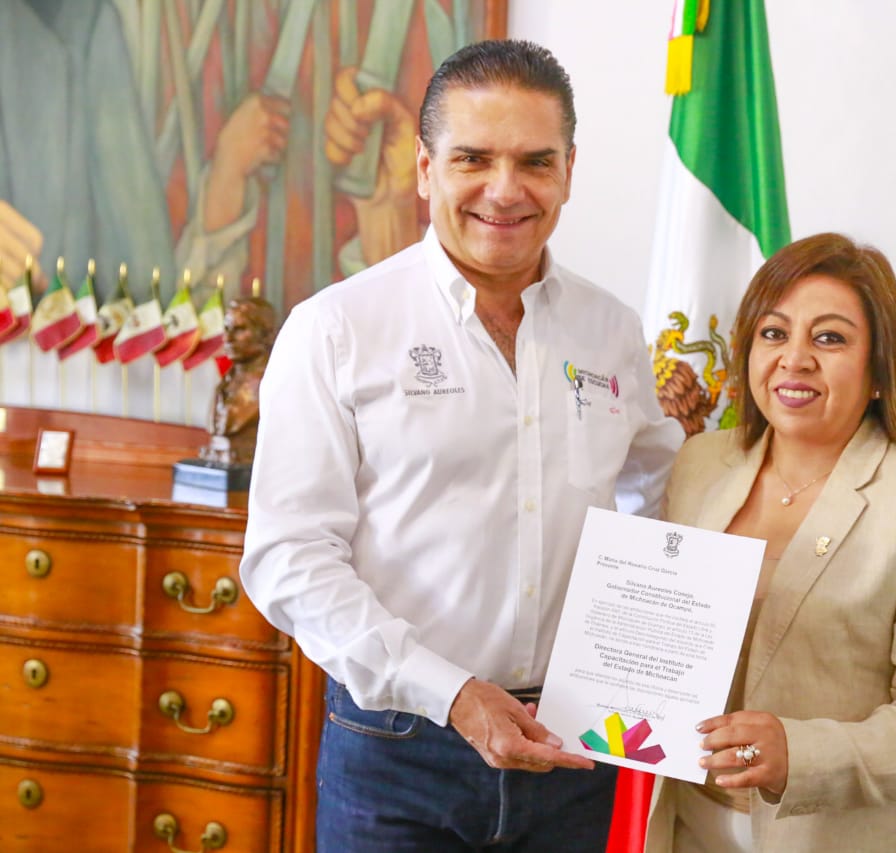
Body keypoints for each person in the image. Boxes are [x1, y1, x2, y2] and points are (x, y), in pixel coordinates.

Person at [239, 40, 684, 852]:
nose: (505, 190)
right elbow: (289, 558)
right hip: (399, 750)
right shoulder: (336, 330)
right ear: (424, 169)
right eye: (473, 158)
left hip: (575, 750)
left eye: (535, 161)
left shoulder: (612, 330)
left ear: (569, 172)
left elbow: (662, 493)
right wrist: (453, 693)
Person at [644, 233, 896, 852]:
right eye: (774, 333)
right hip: (687, 828)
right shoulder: (699, 462)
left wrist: (800, 754)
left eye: (829, 338)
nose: (795, 358)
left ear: (879, 370)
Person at [199, 297, 277, 467]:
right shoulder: (225, 384)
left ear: (266, 334)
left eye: (240, 329)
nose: (228, 338)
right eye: (226, 329)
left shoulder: (272, 386)